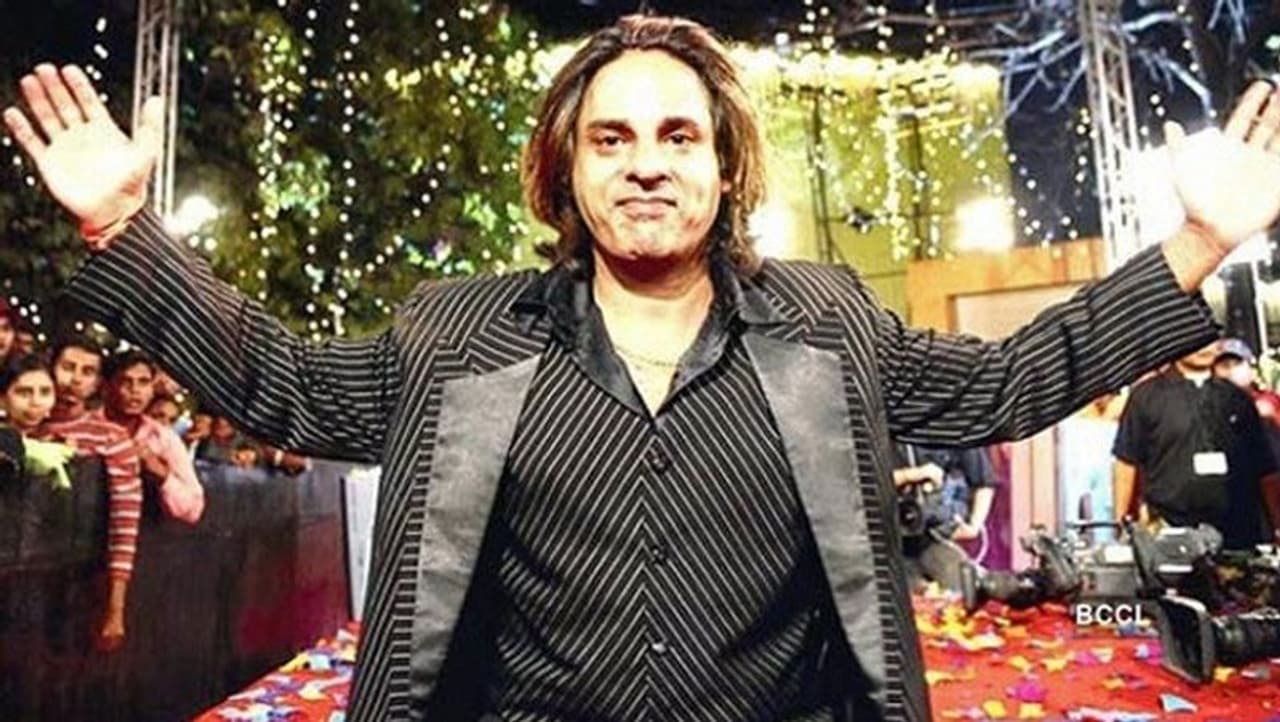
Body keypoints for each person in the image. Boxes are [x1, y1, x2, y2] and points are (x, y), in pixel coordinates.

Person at [8, 15, 1280, 721]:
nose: (647, 162)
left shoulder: (828, 324)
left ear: (724, 166)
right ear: (564, 172)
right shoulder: (457, 335)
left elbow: (1010, 380)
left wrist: (1195, 245)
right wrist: (123, 229)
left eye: (678, 133)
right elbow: (283, 381)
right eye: (609, 138)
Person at [28, 338, 143, 652]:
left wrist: (115, 609)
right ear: (50, 367)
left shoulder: (113, 438)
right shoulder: (20, 427)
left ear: (98, 383)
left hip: (74, 587)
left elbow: (125, 523)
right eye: (68, 367)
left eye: (87, 372)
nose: (75, 379)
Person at [1113, 341, 1280, 548]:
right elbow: (1126, 461)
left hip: (1236, 529)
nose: (1204, 349)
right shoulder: (1147, 396)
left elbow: (1264, 466)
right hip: (1170, 529)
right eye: (1197, 342)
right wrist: (1120, 522)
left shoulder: (1236, 398)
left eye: (1210, 342)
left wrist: (1276, 523)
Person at [101, 350, 205, 523]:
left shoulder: (164, 439)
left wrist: (161, 474)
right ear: (107, 386)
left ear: (151, 389)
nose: (135, 390)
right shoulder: (88, 427)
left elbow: (194, 508)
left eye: (143, 382)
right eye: (126, 381)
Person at [892, 443, 996, 591]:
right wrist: (910, 475)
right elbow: (863, 480)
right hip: (889, 539)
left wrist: (974, 526)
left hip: (937, 536)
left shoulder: (954, 433)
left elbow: (984, 481)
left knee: (964, 587)